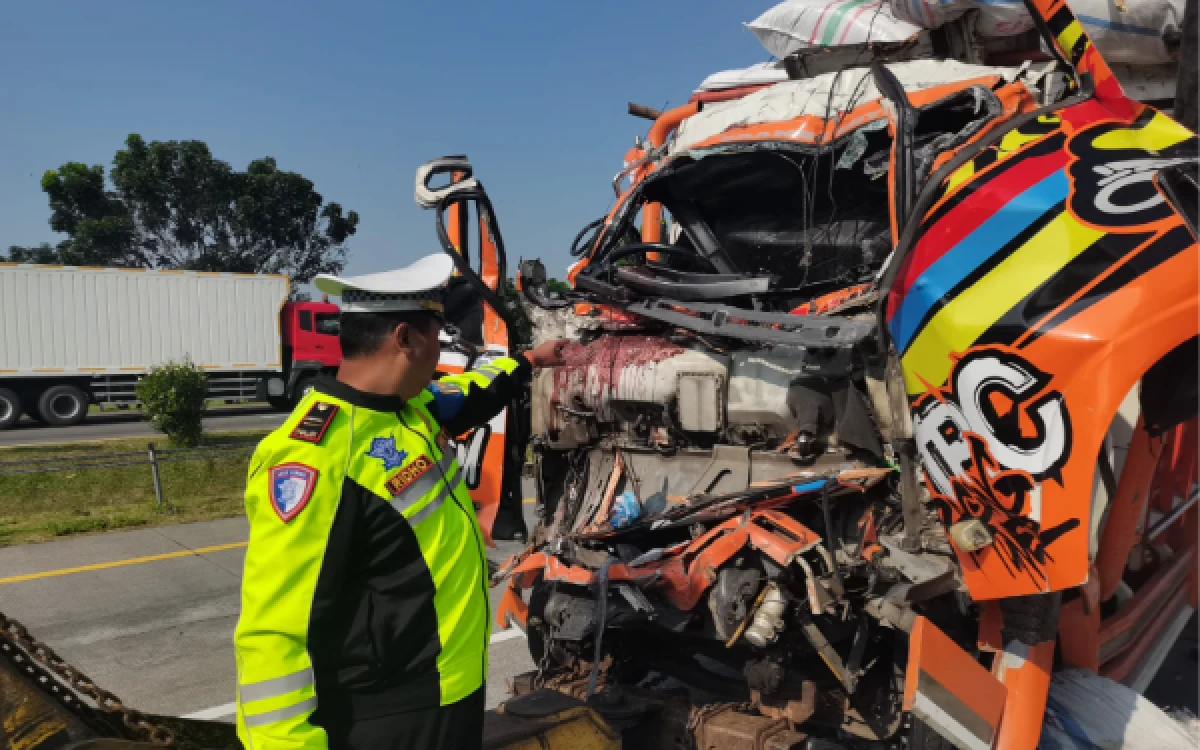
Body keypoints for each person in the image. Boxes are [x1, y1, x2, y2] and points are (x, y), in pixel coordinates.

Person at [233, 252, 566, 750]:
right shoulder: (315, 460)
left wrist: (529, 363)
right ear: (405, 339)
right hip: (387, 715)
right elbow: (277, 630)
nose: (440, 352)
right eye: (437, 336)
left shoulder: (410, 409)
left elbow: (472, 391)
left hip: (449, 688)